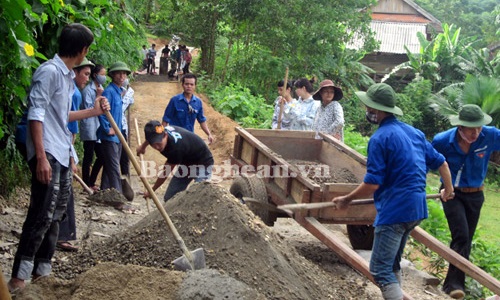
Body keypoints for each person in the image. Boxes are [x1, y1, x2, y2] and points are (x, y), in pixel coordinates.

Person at [8, 23, 109, 294]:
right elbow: (36, 114)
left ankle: (43, 272)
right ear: (83, 50)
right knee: (41, 213)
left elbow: (62, 117)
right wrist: (40, 157)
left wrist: (94, 111)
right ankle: (19, 277)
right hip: (48, 152)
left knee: (56, 215)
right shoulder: (49, 72)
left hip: (62, 152)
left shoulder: (66, 78)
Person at [331, 83, 454, 300]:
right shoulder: (414, 133)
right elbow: (442, 163)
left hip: (395, 211)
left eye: (368, 107)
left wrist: (347, 199)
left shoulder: (380, 138)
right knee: (392, 265)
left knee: (379, 269)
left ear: (376, 111)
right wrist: (448, 189)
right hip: (416, 210)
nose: (366, 111)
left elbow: (372, 184)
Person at [432, 104, 500, 299]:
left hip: (476, 195)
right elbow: (425, 161)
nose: (475, 133)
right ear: (460, 126)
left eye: (478, 128)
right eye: (470, 128)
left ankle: (452, 285)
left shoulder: (491, 135)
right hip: (451, 193)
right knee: (461, 234)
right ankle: (454, 285)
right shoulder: (443, 141)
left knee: (466, 239)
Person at [57, 57, 95, 253]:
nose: (87, 79)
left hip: (54, 145)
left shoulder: (67, 87)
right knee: (64, 192)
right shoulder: (74, 93)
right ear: (75, 72)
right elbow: (69, 130)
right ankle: (62, 236)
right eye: (85, 74)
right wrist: (71, 159)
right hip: (57, 147)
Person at [139, 121, 214, 201]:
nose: (157, 147)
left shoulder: (175, 148)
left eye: (158, 143)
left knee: (198, 196)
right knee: (170, 198)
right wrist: (142, 147)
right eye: (153, 144)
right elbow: (150, 138)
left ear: (165, 135)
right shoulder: (162, 130)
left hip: (203, 163)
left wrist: (152, 191)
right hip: (187, 163)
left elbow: (165, 173)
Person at [97, 62, 130, 194]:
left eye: (124, 73)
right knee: (115, 168)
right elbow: (102, 112)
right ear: (112, 75)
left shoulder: (119, 92)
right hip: (109, 136)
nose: (122, 76)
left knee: (109, 166)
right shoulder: (109, 92)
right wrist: (107, 129)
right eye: (119, 73)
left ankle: (104, 192)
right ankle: (118, 197)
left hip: (118, 136)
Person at [80, 64, 106, 190]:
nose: (104, 77)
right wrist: (97, 97)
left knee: (101, 156)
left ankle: (91, 181)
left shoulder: (101, 87)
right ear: (95, 75)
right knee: (88, 156)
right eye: (102, 74)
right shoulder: (87, 90)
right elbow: (87, 108)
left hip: (98, 126)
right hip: (89, 126)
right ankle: (86, 183)